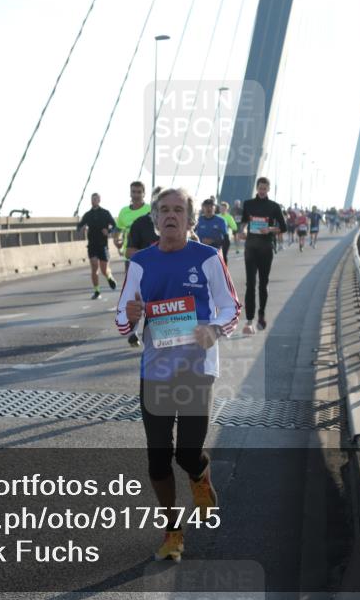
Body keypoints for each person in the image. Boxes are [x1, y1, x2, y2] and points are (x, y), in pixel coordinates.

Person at [115, 187, 240, 562]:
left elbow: (230, 306)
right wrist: (131, 318)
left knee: (186, 453)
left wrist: (214, 329)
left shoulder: (208, 257)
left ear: (190, 220)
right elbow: (123, 319)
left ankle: (199, 475)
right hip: (156, 370)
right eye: (164, 210)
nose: (171, 216)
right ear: (155, 219)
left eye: (178, 210)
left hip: (196, 369)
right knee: (157, 458)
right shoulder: (141, 263)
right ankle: (172, 532)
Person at [239, 177, 287, 334]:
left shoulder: (274, 206)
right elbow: (244, 222)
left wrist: (270, 230)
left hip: (266, 248)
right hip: (251, 248)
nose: (262, 191)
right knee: (250, 284)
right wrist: (243, 231)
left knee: (263, 283)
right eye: (260, 188)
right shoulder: (248, 204)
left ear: (268, 189)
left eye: (265, 189)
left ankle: (261, 313)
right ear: (257, 188)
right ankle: (249, 321)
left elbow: (284, 227)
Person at [115, 181, 152, 346]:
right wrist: (117, 239)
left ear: (144, 193)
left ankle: (151, 327)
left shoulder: (150, 210)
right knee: (132, 293)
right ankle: (133, 331)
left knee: (149, 295)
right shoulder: (123, 212)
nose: (135, 194)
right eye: (133, 192)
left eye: (138, 192)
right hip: (131, 257)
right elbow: (118, 228)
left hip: (150, 258)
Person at [76, 193, 118, 299]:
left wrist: (108, 231)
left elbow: (114, 226)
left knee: (104, 270)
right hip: (92, 245)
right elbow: (79, 226)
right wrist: (81, 228)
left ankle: (109, 277)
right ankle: (97, 291)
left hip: (102, 245)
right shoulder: (88, 214)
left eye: (95, 199)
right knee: (94, 266)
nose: (93, 201)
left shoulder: (105, 213)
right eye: (92, 199)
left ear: (99, 200)